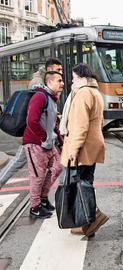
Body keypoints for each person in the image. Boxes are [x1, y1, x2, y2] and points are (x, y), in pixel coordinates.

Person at [60, 63, 108, 237]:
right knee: (86, 182)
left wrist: (74, 149)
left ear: (79, 77)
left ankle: (93, 215)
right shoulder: (95, 91)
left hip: (83, 147)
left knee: (79, 184)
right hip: (93, 144)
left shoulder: (82, 94)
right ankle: (87, 224)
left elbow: (80, 125)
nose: (71, 80)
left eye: (73, 77)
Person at [0, 59, 63, 189]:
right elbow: (34, 114)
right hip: (34, 135)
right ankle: (39, 200)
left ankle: (42, 198)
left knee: (53, 165)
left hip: (42, 134)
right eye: (58, 70)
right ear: (50, 69)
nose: (61, 74)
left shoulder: (49, 82)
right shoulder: (38, 83)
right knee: (20, 162)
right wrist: (44, 136)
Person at [23, 71, 64, 219]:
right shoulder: (39, 97)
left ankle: (43, 198)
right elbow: (31, 120)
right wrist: (43, 137)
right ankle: (34, 207)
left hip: (48, 143)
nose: (62, 83)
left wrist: (60, 140)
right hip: (35, 143)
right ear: (49, 82)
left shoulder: (52, 99)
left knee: (58, 167)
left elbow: (53, 124)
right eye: (59, 80)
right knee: (37, 176)